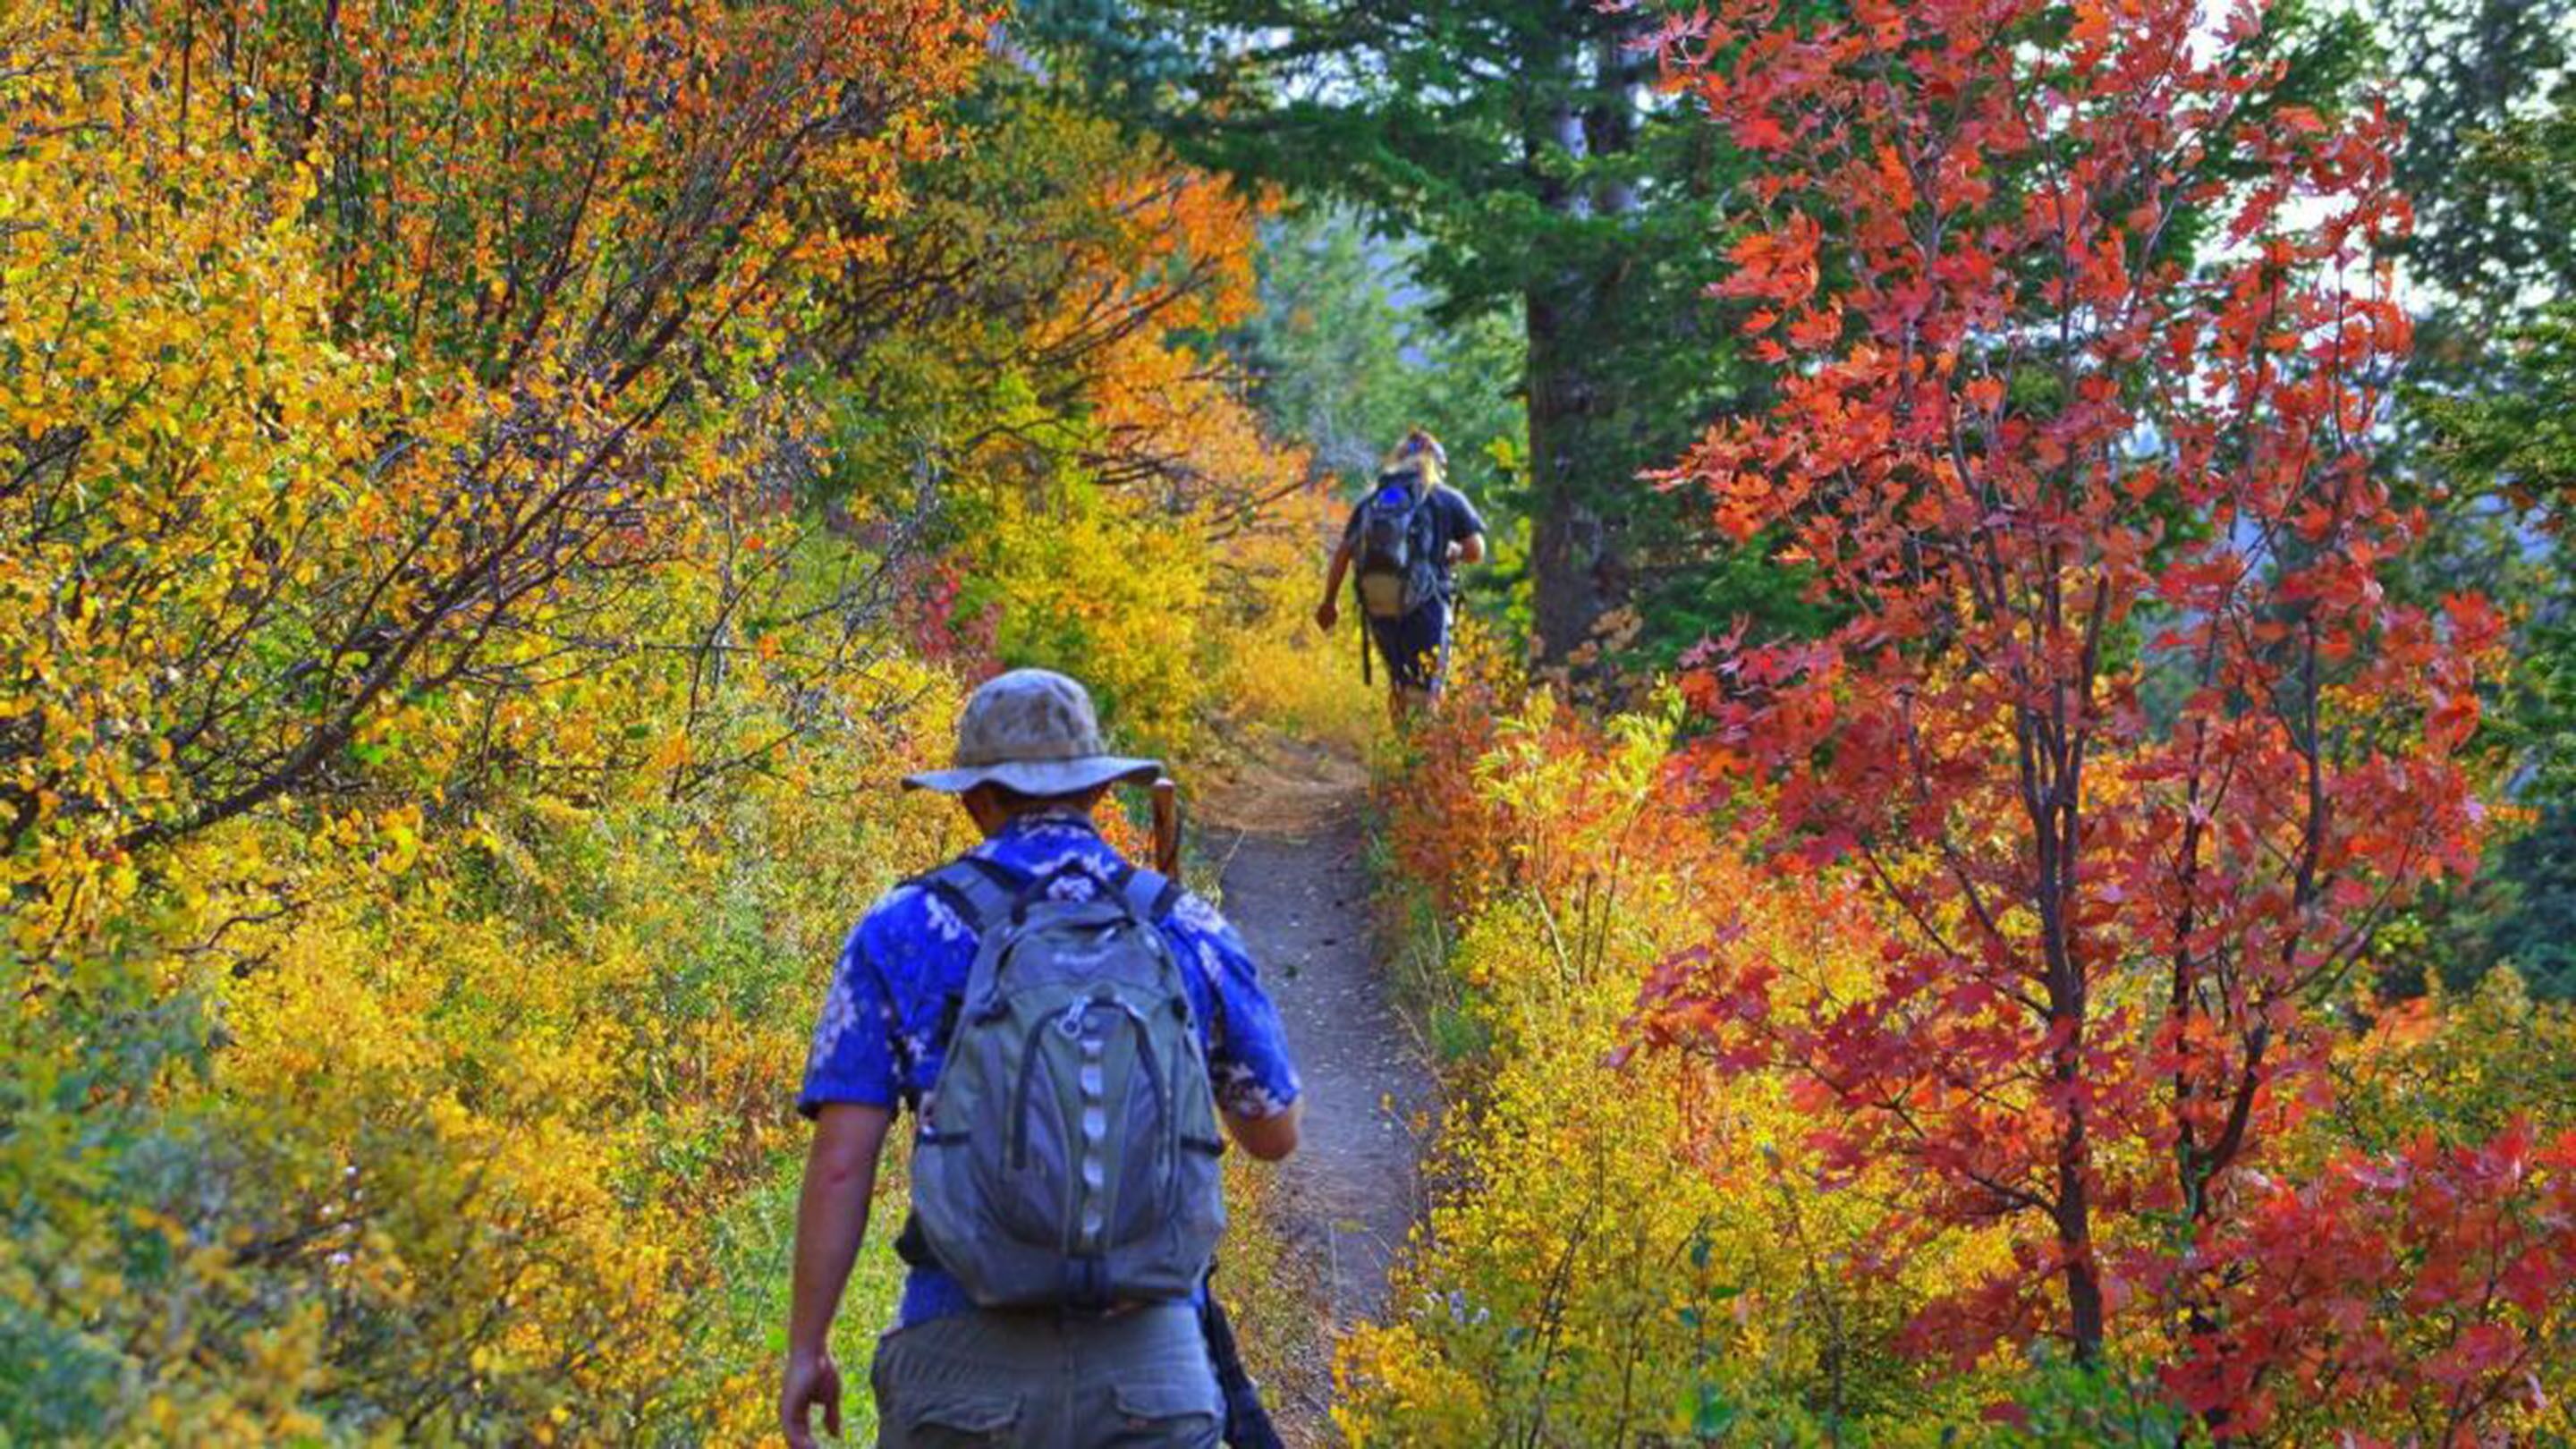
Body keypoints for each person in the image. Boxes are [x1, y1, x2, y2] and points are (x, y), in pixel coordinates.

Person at [780, 667, 1304, 1449]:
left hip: (959, 1361)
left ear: (974, 797)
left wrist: (808, 1347)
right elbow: (1274, 1133)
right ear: (1097, 792)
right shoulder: (1185, 923)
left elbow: (840, 1167)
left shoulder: (904, 926)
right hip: (1153, 1370)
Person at [1313, 428, 1487, 722]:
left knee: (1399, 682)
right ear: (1434, 462)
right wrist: (1454, 552)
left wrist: (1329, 602)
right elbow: (1475, 550)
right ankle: (1418, 761)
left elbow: (1344, 553)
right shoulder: (1446, 498)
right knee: (1428, 688)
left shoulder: (1373, 499)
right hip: (1428, 603)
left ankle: (1400, 749)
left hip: (1380, 603)